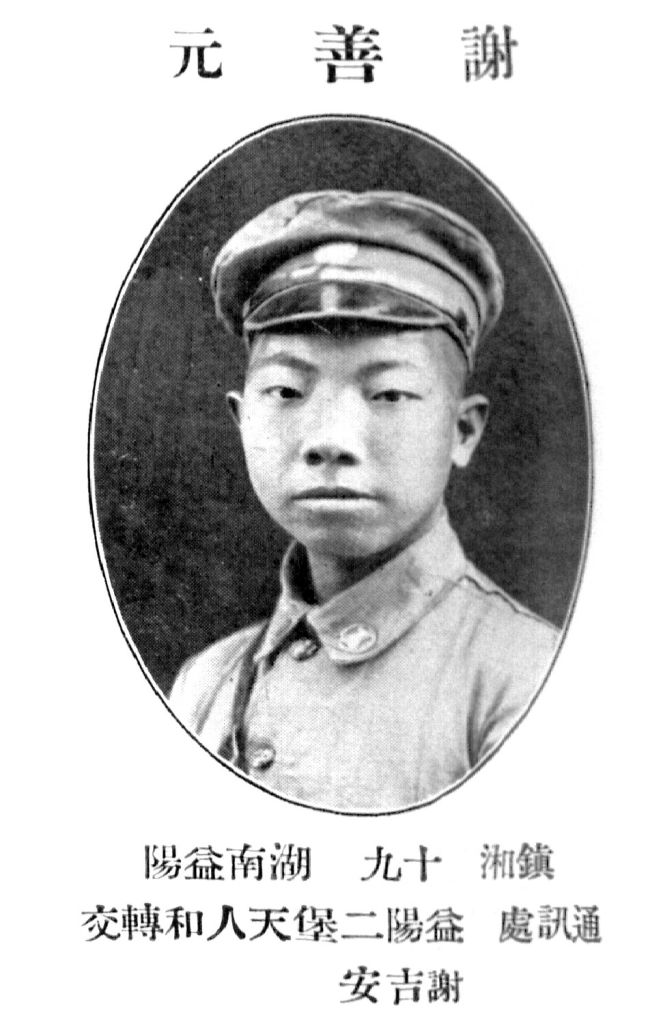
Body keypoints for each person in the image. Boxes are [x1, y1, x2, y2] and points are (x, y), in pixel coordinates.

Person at [169, 190, 559, 812]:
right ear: (241, 421)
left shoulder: (526, 680)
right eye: (287, 390)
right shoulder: (204, 684)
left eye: (389, 394)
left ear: (462, 431)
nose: (330, 440)